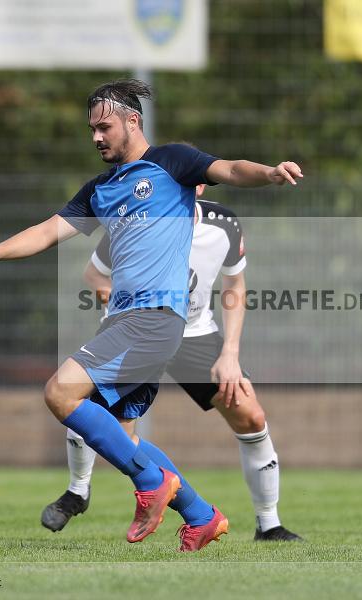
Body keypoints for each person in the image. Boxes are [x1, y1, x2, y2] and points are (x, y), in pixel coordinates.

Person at [0, 79, 302, 551]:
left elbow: (229, 168)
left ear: (132, 121)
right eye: (91, 129)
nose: (96, 137)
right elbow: (45, 232)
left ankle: (150, 483)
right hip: (128, 322)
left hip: (154, 318)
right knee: (122, 436)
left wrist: (268, 172)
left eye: (104, 126)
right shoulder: (99, 190)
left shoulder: (172, 162)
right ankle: (202, 515)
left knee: (60, 393)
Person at [41, 185, 302, 542]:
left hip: (195, 334)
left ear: (200, 184)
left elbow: (235, 286)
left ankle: (268, 524)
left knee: (251, 414)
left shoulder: (223, 224)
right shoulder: (136, 218)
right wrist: (124, 312)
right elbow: (95, 274)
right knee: (99, 413)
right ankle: (79, 490)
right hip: (141, 329)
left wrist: (230, 354)